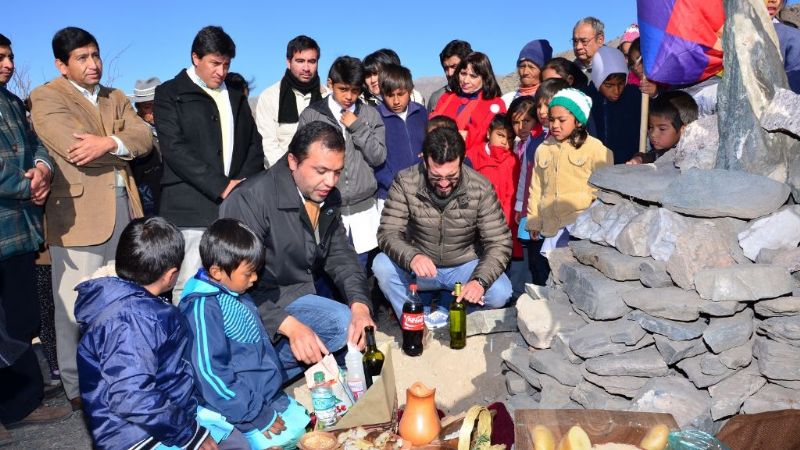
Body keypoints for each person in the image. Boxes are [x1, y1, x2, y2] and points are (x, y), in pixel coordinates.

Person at [30, 27, 153, 409]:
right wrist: (119, 143)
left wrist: (108, 142)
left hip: (126, 209)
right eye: (82, 58)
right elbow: (73, 147)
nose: (93, 64)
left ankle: (124, 373)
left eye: (95, 55)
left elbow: (144, 138)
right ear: (61, 65)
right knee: (74, 306)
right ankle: (78, 387)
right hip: (77, 217)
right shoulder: (46, 96)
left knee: (123, 299)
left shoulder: (116, 96)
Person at [75, 216, 249, 450]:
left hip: (158, 415)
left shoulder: (130, 304)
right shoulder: (132, 318)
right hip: (132, 434)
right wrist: (188, 434)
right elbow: (133, 397)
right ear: (170, 275)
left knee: (234, 439)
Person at [219, 122, 376, 380]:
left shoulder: (327, 196)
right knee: (332, 326)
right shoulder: (249, 200)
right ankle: (258, 374)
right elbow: (231, 285)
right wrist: (290, 326)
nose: (330, 182)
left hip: (295, 292)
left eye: (337, 172)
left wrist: (360, 305)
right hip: (252, 302)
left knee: (348, 322)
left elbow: (341, 256)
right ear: (293, 161)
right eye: (321, 171)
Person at [154, 25, 264, 302]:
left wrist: (244, 187)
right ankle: (190, 345)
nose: (221, 71)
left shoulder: (236, 95)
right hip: (189, 209)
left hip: (234, 208)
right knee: (188, 286)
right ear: (195, 58)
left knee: (232, 284)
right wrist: (221, 185)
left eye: (226, 64)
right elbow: (174, 149)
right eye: (215, 63)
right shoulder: (169, 93)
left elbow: (253, 144)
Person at [181, 219, 310, 449]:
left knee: (306, 428)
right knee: (288, 441)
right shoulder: (202, 308)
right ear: (217, 272)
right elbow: (211, 376)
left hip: (265, 398)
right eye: (248, 273)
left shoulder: (233, 291)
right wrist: (259, 415)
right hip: (239, 412)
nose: (255, 279)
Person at [0, 33, 72, 432]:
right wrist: (28, 185)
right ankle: (14, 408)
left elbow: (36, 145)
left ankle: (22, 400)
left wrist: (43, 169)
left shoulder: (11, 102)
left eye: (10, 56)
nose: (8, 64)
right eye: (0, 57)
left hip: (20, 231)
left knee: (21, 320)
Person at [372, 127, 513, 324]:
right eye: (436, 176)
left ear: (462, 162)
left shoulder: (480, 188)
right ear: (425, 162)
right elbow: (388, 232)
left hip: (464, 265)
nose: (444, 184)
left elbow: (499, 242)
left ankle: (455, 317)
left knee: (501, 292)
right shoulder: (405, 182)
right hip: (421, 268)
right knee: (382, 265)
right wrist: (413, 256)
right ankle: (414, 321)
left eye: (451, 176)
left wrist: (479, 281)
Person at [298, 56, 386, 267]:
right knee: (328, 275)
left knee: (361, 273)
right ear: (330, 84)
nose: (349, 96)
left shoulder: (369, 115)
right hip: (324, 210)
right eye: (343, 89)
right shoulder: (312, 115)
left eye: (355, 90)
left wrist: (358, 128)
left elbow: (378, 157)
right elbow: (302, 161)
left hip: (363, 212)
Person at [526, 88, 612, 259]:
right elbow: (536, 189)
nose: (555, 125)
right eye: (551, 120)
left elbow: (604, 191)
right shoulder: (543, 149)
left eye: (561, 120)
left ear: (578, 121)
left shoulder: (596, 149)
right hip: (550, 227)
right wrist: (534, 221)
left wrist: (592, 218)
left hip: (580, 227)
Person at [520, 79, 569, 285]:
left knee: (555, 266)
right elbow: (529, 180)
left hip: (560, 219)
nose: (541, 111)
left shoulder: (570, 142)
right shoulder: (535, 141)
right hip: (536, 214)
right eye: (538, 105)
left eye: (547, 105)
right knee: (537, 264)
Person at [256, 36, 326, 168]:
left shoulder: (327, 96)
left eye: (312, 61)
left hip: (322, 176)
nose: (306, 67)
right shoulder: (270, 97)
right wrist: (289, 172)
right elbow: (268, 144)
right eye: (300, 61)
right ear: (288, 62)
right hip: (282, 176)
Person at [374, 64, 427, 210]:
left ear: (410, 90)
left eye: (401, 94)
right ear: (382, 93)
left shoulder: (421, 112)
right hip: (389, 196)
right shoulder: (375, 116)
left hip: (422, 192)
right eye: (390, 95)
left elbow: (429, 144)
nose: (396, 101)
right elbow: (374, 158)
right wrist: (392, 183)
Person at [430, 52, 506, 151]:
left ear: (485, 78)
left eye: (473, 76)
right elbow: (432, 126)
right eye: (463, 73)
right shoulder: (446, 98)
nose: (466, 80)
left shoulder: (496, 103)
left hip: (476, 162)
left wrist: (465, 135)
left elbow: (495, 135)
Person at [587, 46, 641, 164]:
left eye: (621, 84)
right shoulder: (585, 99)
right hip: (595, 166)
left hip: (628, 166)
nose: (616, 91)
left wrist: (654, 94)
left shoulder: (636, 95)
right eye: (609, 85)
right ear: (597, 80)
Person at [627, 92, 698, 165]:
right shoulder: (665, 151)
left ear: (684, 129)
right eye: (651, 127)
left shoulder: (697, 151)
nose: (653, 134)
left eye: (662, 129)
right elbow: (654, 156)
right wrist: (640, 159)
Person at [129, 77, 163, 216]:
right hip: (149, 200)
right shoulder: (133, 132)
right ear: (139, 108)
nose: (153, 111)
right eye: (148, 106)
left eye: (157, 105)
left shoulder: (171, 127)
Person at [502, 39, 553, 108]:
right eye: (522, 66)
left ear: (543, 70)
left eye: (531, 67)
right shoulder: (507, 100)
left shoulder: (551, 98)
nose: (525, 72)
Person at [427, 40, 473, 112]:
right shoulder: (437, 98)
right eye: (446, 68)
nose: (449, 73)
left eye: (454, 67)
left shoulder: (486, 95)